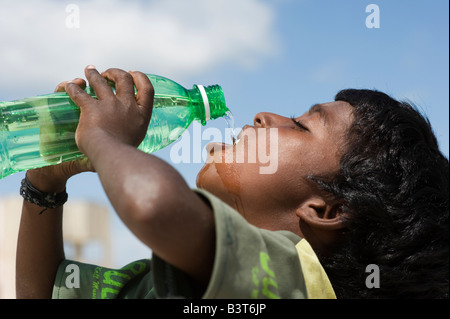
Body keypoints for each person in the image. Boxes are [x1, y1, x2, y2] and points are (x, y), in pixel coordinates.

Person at [16, 66, 448, 299]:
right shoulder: (169, 283)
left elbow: (155, 207)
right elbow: (44, 289)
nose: (264, 116)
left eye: (300, 124)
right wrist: (45, 186)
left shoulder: (297, 283)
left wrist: (102, 138)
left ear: (327, 210)